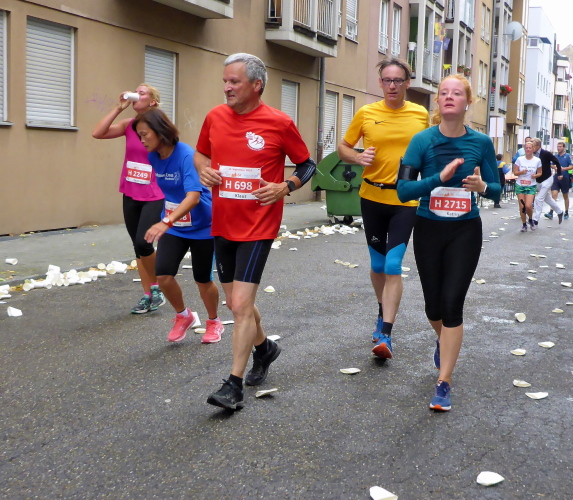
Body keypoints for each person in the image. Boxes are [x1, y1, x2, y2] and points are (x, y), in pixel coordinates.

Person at [195, 53, 317, 410]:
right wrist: (203, 170)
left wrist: (285, 186)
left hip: (258, 226)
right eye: (225, 81)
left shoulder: (279, 122)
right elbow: (200, 154)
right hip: (222, 222)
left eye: (234, 81)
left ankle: (233, 386)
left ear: (256, 85)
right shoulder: (214, 117)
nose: (227, 87)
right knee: (237, 303)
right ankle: (265, 349)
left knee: (240, 305)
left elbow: (308, 164)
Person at [396, 74, 500, 412]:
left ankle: (444, 382)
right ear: (438, 101)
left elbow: (497, 189)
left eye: (457, 93)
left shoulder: (481, 143)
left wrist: (482, 187)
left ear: (468, 101)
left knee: (452, 304)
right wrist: (437, 179)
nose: (450, 97)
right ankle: (444, 341)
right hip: (428, 228)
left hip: (465, 231)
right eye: (444, 92)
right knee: (433, 308)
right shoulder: (421, 141)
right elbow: (403, 190)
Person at [338, 58, 430, 359]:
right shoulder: (367, 113)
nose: (392, 85)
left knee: (392, 265)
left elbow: (430, 149)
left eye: (398, 80)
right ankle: (382, 311)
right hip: (372, 197)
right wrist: (357, 157)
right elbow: (344, 146)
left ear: (407, 83)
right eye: (387, 80)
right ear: (380, 83)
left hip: (405, 200)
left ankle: (386, 335)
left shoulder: (420, 114)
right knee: (378, 265)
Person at [133, 109, 224, 344]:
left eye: (144, 134)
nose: (141, 140)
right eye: (139, 136)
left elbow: (193, 197)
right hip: (175, 226)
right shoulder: (153, 157)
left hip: (202, 225)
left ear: (160, 131)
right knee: (163, 276)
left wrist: (164, 221)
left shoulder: (186, 155)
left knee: (202, 279)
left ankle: (213, 321)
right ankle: (183, 316)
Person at [92, 84, 166, 314]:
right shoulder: (129, 125)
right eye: (136, 91)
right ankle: (147, 295)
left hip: (154, 193)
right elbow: (98, 133)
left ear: (152, 101)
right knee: (137, 246)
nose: (136, 95)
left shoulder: (159, 125)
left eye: (142, 93)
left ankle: (158, 286)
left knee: (144, 243)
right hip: (131, 191)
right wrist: (118, 107)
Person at [530, 138, 563, 226]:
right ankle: (559, 212)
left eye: (533, 146)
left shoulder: (546, 153)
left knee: (539, 198)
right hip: (538, 180)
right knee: (547, 199)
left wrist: (559, 173)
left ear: (538, 146)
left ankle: (536, 219)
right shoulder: (532, 155)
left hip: (547, 179)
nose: (532, 148)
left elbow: (556, 161)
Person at [514, 141, 542, 232]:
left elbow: (540, 173)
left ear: (533, 149)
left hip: (531, 185)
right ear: (524, 149)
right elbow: (515, 172)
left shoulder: (537, 160)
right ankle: (524, 224)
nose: (528, 149)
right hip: (520, 185)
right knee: (522, 206)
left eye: (530, 148)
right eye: (526, 148)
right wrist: (522, 172)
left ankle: (530, 219)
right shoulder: (520, 159)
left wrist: (535, 175)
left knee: (528, 206)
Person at [545, 141, 573, 220]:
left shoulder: (568, 156)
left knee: (565, 195)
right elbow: (550, 164)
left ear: (564, 148)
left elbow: (572, 166)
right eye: (558, 146)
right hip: (556, 177)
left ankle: (566, 212)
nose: (559, 148)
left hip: (565, 177)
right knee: (554, 195)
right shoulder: (555, 156)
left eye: (560, 146)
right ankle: (551, 212)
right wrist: (554, 167)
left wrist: (564, 168)